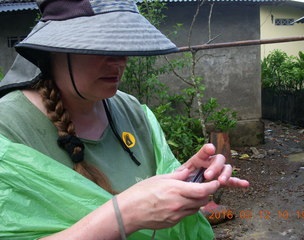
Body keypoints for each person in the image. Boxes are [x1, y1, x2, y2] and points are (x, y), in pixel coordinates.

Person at [0, 0, 249, 239]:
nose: (119, 60)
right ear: (54, 48)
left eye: (123, 43)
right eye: (101, 44)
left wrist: (188, 179)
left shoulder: (130, 110)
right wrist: (124, 215)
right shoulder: (8, 127)